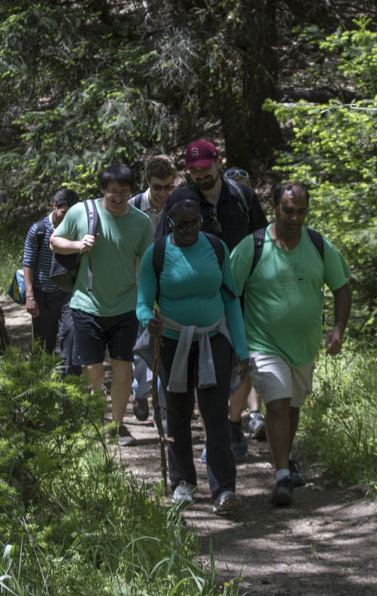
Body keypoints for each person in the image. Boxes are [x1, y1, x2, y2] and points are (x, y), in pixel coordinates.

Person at [231, 182, 352, 506]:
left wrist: (338, 329)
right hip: (262, 342)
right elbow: (229, 292)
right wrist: (233, 342)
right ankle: (282, 474)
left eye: (301, 211)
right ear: (274, 208)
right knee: (278, 404)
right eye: (288, 210)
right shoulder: (251, 247)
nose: (295, 218)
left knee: (293, 406)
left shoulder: (318, 245)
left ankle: (285, 458)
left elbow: (341, 286)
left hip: (305, 345)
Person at [136, 198, 249, 515]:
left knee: (216, 416)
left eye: (194, 222)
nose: (188, 229)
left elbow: (230, 300)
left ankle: (224, 490)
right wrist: (149, 320)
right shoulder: (156, 255)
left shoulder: (216, 248)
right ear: (169, 223)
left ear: (202, 221)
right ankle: (183, 483)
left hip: (214, 340)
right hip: (172, 342)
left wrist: (241, 349)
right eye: (181, 224)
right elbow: (143, 301)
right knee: (178, 413)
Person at [156, 140, 267, 458]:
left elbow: (262, 240)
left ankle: (233, 424)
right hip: (199, 297)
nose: (199, 175)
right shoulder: (180, 200)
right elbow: (161, 249)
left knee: (242, 360)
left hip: (243, 293)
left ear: (218, 162)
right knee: (209, 368)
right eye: (192, 171)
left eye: (204, 169)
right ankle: (215, 434)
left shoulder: (242, 197)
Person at [50, 164, 153, 446]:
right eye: (112, 193)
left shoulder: (142, 222)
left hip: (125, 307)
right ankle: (96, 423)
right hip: (86, 305)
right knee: (93, 371)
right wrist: (77, 245)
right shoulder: (81, 212)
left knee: (123, 369)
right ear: (102, 191)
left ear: (132, 192)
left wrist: (148, 302)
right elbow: (54, 241)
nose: (118, 198)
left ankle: (117, 426)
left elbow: (145, 264)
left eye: (124, 192)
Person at [128, 155, 177, 422]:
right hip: (139, 288)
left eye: (168, 187)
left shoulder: (178, 206)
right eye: (158, 187)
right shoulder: (133, 207)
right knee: (141, 343)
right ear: (148, 182)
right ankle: (140, 392)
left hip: (170, 288)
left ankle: (162, 405)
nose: (162, 193)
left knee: (166, 345)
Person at [22, 188, 79, 373]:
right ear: (55, 207)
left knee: (72, 335)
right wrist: (30, 296)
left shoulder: (77, 228)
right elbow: (28, 263)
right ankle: (42, 382)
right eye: (64, 212)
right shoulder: (38, 230)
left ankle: (70, 382)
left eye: (71, 213)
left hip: (68, 294)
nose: (67, 217)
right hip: (43, 294)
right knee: (43, 343)